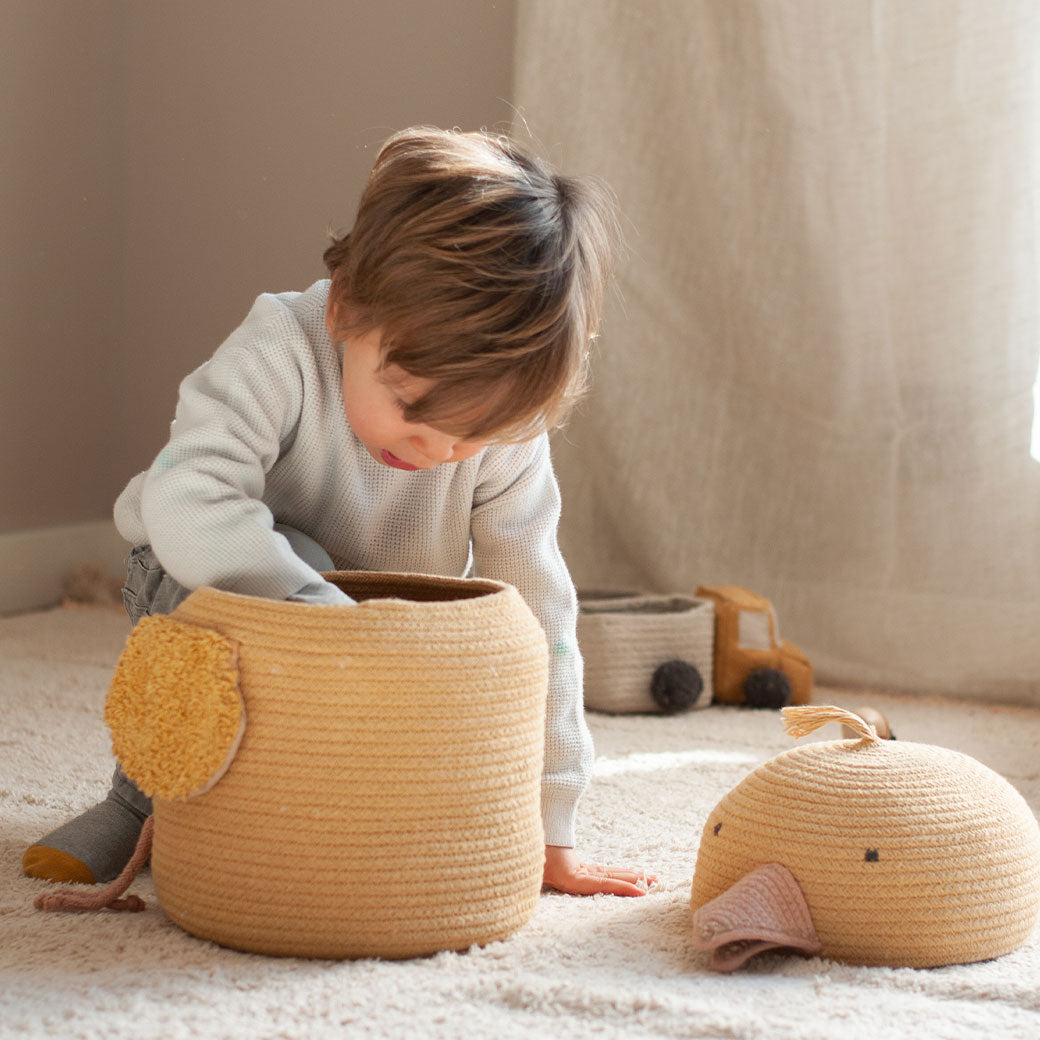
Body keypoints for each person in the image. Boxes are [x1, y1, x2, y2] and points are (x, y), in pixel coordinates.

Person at [23, 126, 655, 898]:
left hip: (372, 619)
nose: (439, 451)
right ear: (346, 311)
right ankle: (138, 804)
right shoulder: (278, 347)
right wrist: (315, 607)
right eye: (412, 407)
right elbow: (187, 496)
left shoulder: (501, 431)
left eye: (475, 435)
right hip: (207, 582)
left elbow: (540, 623)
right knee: (217, 676)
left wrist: (551, 824)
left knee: (433, 684)